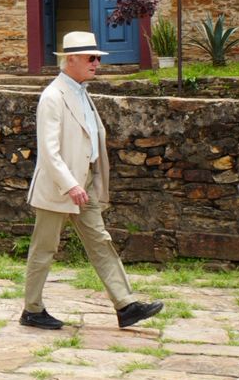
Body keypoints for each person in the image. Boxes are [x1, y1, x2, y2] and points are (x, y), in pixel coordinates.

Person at [21, 31, 165, 331]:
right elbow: (49, 151)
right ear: (70, 59)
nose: (97, 63)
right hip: (58, 188)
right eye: (91, 58)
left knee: (101, 242)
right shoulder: (52, 97)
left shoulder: (81, 92)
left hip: (82, 187)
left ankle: (126, 305)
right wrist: (70, 184)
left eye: (98, 58)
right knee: (44, 248)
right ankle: (32, 310)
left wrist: (89, 180)